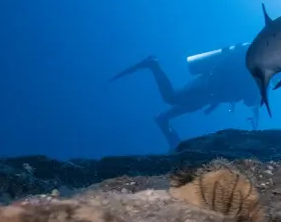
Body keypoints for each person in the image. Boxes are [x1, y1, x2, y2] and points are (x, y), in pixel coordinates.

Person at [109, 43, 260, 150]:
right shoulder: (248, 68)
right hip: (205, 86)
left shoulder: (252, 76)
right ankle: (153, 65)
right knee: (171, 98)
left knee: (178, 109)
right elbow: (226, 66)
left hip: (206, 96)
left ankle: (169, 134)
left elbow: (247, 100)